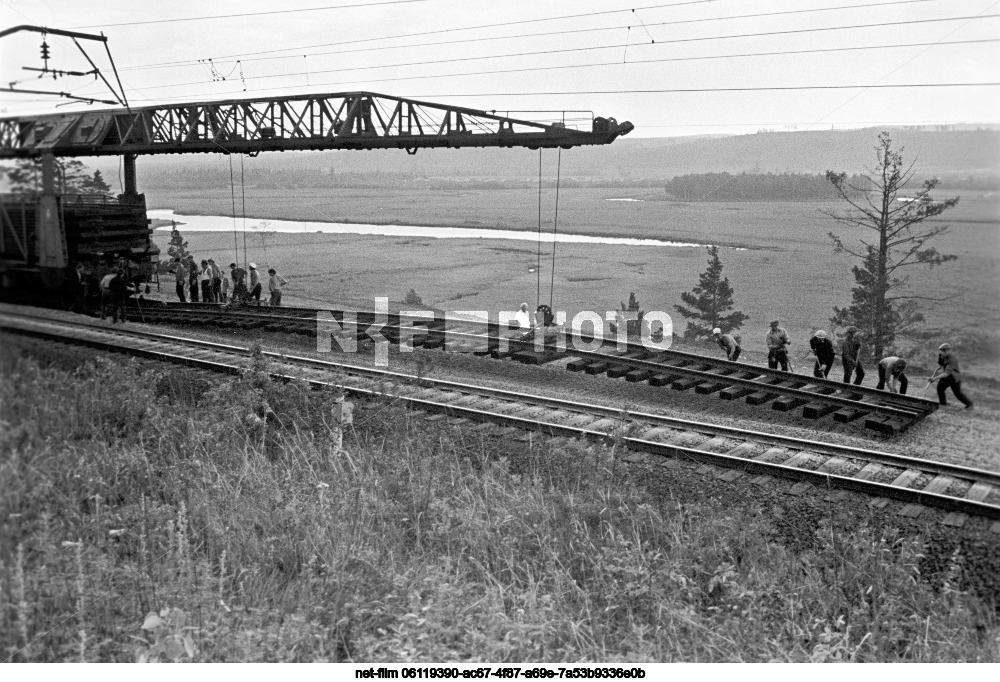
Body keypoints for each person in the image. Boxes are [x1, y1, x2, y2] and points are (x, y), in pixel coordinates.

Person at [930, 343, 973, 409]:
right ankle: (943, 404)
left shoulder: (952, 359)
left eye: (943, 351)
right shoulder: (941, 355)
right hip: (948, 376)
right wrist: (940, 366)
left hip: (954, 377)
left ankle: (969, 404)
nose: (941, 353)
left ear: (947, 351)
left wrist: (935, 378)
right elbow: (941, 363)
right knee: (940, 388)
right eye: (940, 351)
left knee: (957, 394)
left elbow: (947, 373)